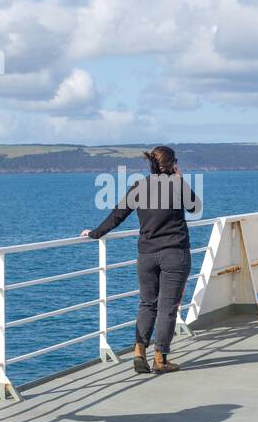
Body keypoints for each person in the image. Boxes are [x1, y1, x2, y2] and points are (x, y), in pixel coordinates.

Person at [81, 146, 201, 373]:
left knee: (147, 304)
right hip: (174, 254)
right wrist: (181, 179)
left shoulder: (139, 186)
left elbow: (117, 215)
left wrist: (95, 233)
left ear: (152, 164)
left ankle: (139, 351)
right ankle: (160, 359)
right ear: (173, 164)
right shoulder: (177, 184)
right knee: (167, 307)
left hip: (146, 255)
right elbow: (195, 207)